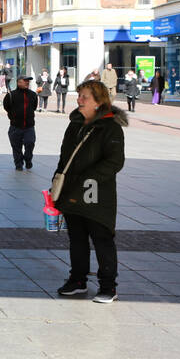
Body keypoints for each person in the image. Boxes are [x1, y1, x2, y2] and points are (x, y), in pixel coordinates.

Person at [54, 80, 127, 303]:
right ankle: (77, 280)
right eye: (79, 95)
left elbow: (115, 161)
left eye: (85, 96)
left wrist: (87, 178)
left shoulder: (110, 127)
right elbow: (65, 157)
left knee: (101, 238)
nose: (79, 100)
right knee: (77, 238)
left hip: (96, 193)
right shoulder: (75, 124)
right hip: (71, 191)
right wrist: (57, 180)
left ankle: (108, 286)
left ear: (98, 101)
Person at [3, 74, 39, 170]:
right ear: (19, 82)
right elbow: (6, 107)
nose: (27, 82)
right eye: (25, 80)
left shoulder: (33, 95)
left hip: (29, 127)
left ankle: (28, 159)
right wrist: (13, 116)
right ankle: (18, 164)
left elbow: (34, 107)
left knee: (30, 143)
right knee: (16, 147)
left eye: (28, 81)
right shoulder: (11, 95)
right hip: (15, 126)